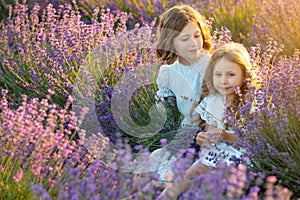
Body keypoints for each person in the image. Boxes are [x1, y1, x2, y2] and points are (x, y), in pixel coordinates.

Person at [129, 3, 213, 196]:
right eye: (185, 39)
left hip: (205, 134)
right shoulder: (168, 72)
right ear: (171, 42)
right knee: (149, 163)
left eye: (197, 36)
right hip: (183, 134)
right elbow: (168, 114)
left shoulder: (210, 64)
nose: (193, 43)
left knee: (168, 176)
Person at [158, 42, 254, 199]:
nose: (223, 81)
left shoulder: (250, 103)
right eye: (218, 74)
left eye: (231, 75)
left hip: (240, 156)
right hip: (215, 154)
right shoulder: (213, 100)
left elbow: (252, 142)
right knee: (188, 175)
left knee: (206, 180)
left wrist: (226, 135)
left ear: (244, 75)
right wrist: (203, 138)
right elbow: (210, 133)